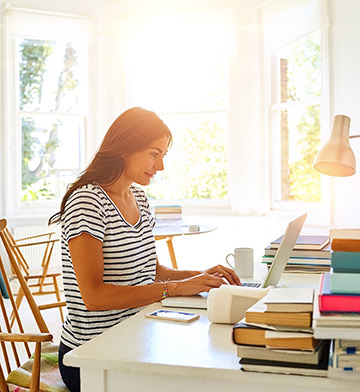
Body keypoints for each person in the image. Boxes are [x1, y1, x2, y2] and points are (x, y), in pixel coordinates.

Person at [49, 107, 240, 392]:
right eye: (154, 154)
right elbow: (94, 297)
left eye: (163, 155)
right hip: (93, 354)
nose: (160, 166)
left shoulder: (139, 196)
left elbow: (153, 270)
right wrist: (176, 288)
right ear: (125, 149)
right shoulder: (88, 201)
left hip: (138, 334)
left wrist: (200, 276)